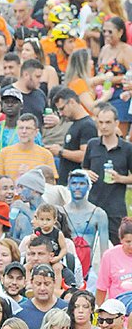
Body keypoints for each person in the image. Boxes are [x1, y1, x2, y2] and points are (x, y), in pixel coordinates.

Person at [82, 105, 132, 244]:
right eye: (101, 122)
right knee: (89, 246)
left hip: (116, 208)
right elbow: (83, 169)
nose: (104, 126)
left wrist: (120, 178)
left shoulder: (127, 148)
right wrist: (86, 173)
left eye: (108, 122)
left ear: (116, 123)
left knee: (117, 245)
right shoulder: (92, 144)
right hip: (93, 205)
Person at [63, 169, 109, 274]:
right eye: (74, 183)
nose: (77, 187)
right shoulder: (61, 212)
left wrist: (105, 274)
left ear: (88, 186)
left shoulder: (99, 214)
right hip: (66, 267)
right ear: (68, 186)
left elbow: (104, 250)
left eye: (82, 183)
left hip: (88, 268)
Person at [0, 114, 53, 181]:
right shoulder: (4, 153)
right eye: (21, 128)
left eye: (28, 128)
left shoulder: (46, 155)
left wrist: (31, 174)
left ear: (36, 132)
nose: (24, 132)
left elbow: (51, 184)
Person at [96, 217, 132, 304]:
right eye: (128, 242)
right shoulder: (109, 256)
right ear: (121, 239)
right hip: (118, 310)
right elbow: (102, 288)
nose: (131, 246)